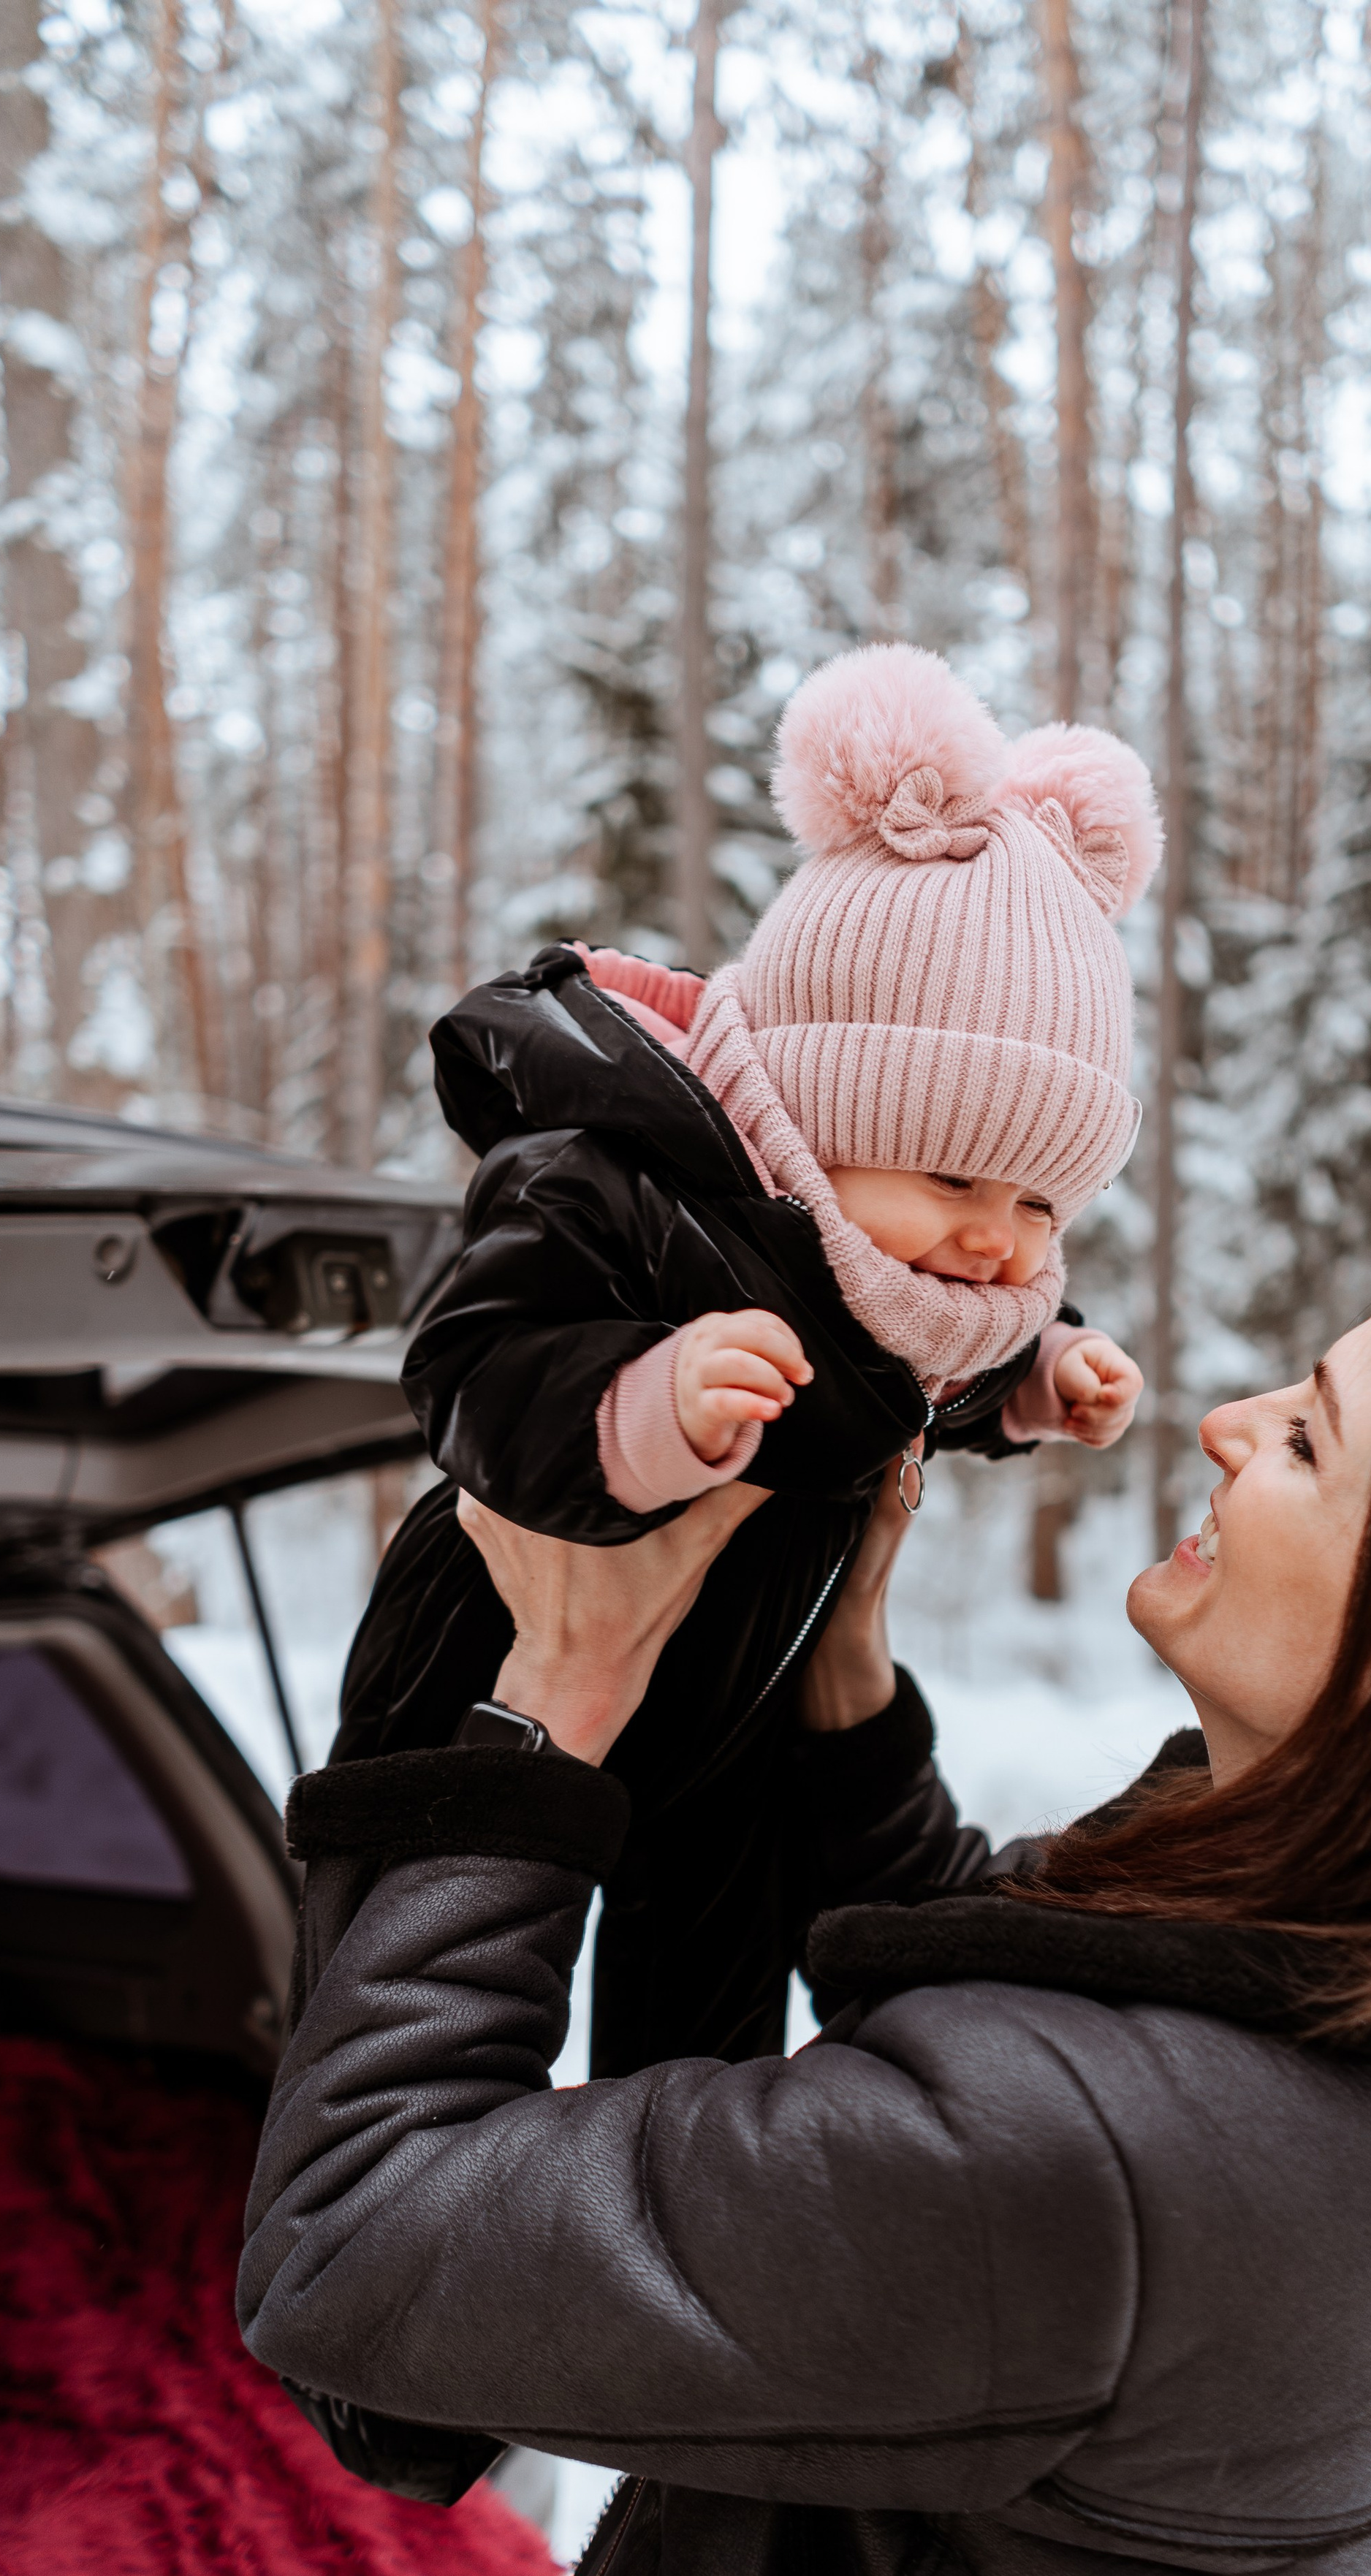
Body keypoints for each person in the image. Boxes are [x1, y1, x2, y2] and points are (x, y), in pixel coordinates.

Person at [240, 1245, 1371, 2576]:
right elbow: (1012, 2038)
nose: (1225, 1423)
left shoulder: (1096, 2159)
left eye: (1307, 1439)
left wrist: (551, 1710)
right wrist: (841, 1683)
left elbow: (356, 2239)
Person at [333, 642, 1151, 2077]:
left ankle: (648, 2216)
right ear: (809, 1111)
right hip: (488, 1679)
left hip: (737, 1729)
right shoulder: (626, 1195)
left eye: (1039, 1207)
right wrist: (642, 1405)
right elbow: (470, 1363)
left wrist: (1029, 1380)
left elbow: (919, 1391)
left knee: (695, 2063)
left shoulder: (900, 1286)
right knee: (390, 2010)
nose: (996, 1246)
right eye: (957, 1180)